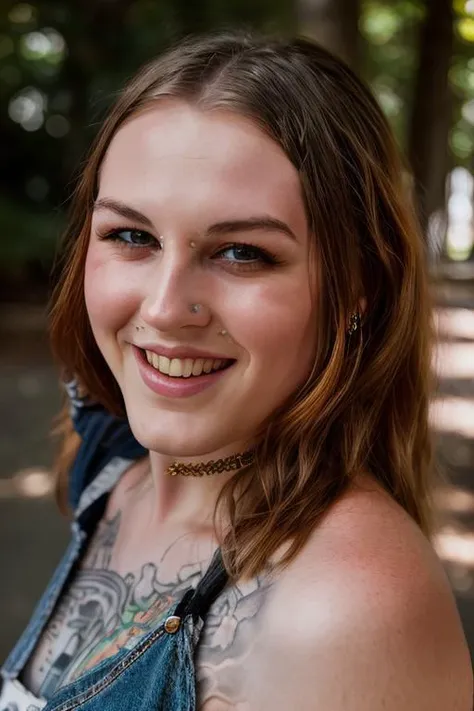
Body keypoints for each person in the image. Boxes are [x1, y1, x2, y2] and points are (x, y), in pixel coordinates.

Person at [1, 30, 472, 711]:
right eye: (132, 236)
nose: (164, 309)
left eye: (242, 252)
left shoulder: (349, 611)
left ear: (360, 284)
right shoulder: (112, 466)